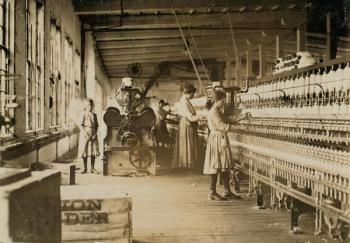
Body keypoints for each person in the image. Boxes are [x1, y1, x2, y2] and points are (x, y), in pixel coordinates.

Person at [203, 90, 241, 200]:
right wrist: (233, 127)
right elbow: (221, 125)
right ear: (217, 100)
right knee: (216, 165)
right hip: (217, 139)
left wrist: (234, 121)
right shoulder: (214, 111)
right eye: (222, 101)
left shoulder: (217, 110)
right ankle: (212, 192)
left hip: (221, 138)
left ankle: (227, 191)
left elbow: (224, 119)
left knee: (224, 165)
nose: (224, 103)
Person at [172, 83, 200, 169]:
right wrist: (200, 117)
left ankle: (186, 164)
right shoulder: (184, 102)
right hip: (187, 124)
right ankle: (187, 164)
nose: (193, 95)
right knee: (188, 144)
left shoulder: (185, 100)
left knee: (186, 144)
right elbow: (190, 117)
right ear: (190, 93)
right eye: (193, 94)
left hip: (185, 123)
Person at [78, 98, 100, 174]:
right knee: (85, 151)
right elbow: (81, 125)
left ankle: (92, 168)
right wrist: (86, 134)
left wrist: (95, 134)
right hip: (85, 134)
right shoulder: (83, 114)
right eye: (88, 105)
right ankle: (84, 168)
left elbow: (97, 126)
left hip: (93, 133)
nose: (90, 107)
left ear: (92, 106)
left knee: (93, 151)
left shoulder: (94, 115)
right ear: (86, 106)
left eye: (91, 105)